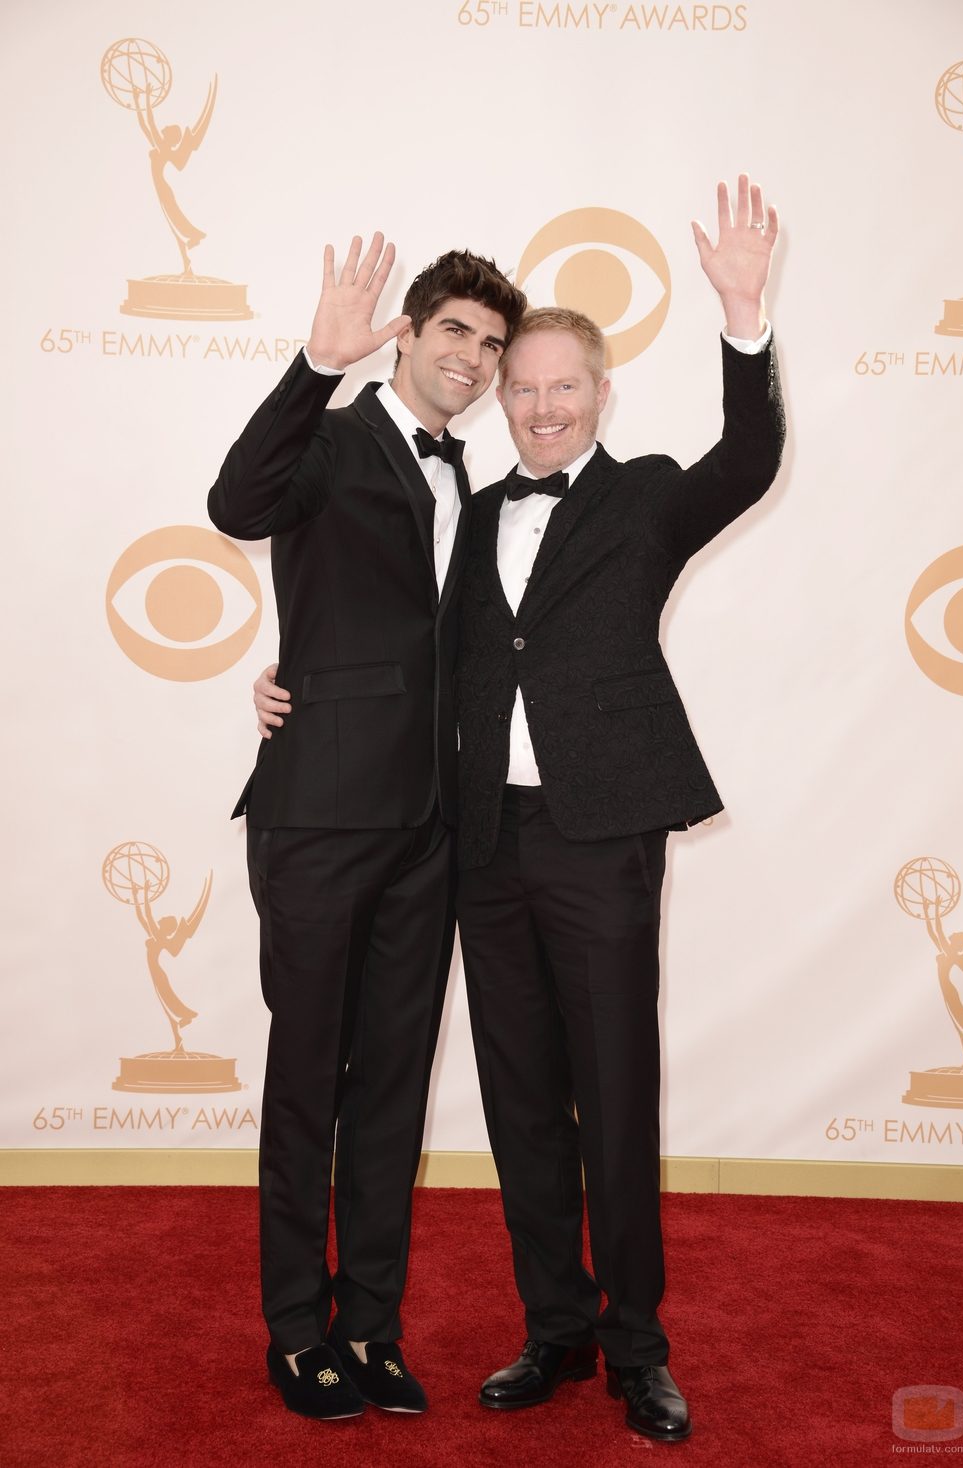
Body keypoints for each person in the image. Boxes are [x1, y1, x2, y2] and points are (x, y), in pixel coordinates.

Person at [253, 175, 785, 1443]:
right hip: (480, 844)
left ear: (599, 395)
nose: (541, 406)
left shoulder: (646, 496)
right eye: (521, 386)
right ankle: (553, 1327)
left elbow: (750, 459)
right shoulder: (469, 511)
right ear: (498, 395)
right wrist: (290, 676)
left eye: (562, 387)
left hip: (601, 841)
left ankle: (635, 1348)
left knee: (615, 1095)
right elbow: (394, 636)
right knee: (518, 1100)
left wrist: (743, 317)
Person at [208, 235, 526, 1422]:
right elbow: (235, 503)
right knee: (307, 1077)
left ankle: (369, 1325)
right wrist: (313, 365)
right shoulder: (332, 440)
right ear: (406, 333)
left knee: (392, 1084)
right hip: (320, 815)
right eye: (454, 331)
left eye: (491, 343)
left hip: (429, 829)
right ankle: (296, 1329)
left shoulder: (475, 486)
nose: (473, 357)